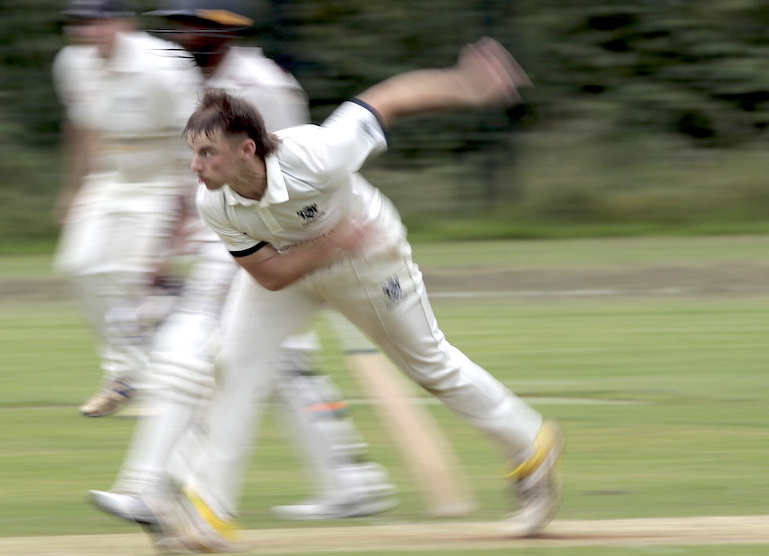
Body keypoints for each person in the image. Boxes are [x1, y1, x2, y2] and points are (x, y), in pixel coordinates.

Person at [143, 38, 564, 553]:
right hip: (300, 264)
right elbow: (270, 276)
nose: (195, 166)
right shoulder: (215, 203)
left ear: (246, 149)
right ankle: (209, 514)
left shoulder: (316, 153)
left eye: (207, 153)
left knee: (431, 365)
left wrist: (467, 86)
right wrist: (327, 245)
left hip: (368, 260)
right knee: (235, 363)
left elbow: (386, 100)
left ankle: (532, 447)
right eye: (193, 153)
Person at [88, 0, 397, 526]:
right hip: (223, 233)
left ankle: (148, 488)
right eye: (179, 25)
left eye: (193, 27)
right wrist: (166, 250)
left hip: (265, 236)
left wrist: (300, 250)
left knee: (190, 351)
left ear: (223, 31)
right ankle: (353, 483)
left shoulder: (262, 85)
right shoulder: (188, 82)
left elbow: (301, 173)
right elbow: (188, 173)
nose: (182, 36)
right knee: (275, 362)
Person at [51, 0, 202, 417]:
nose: (89, 32)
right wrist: (73, 187)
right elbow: (81, 126)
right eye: (81, 23)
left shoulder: (163, 65)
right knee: (79, 267)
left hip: (161, 179)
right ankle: (127, 377)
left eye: (99, 22)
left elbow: (193, 135)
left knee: (129, 276)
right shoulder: (72, 62)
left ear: (123, 23)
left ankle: (153, 378)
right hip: (109, 176)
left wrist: (186, 210)